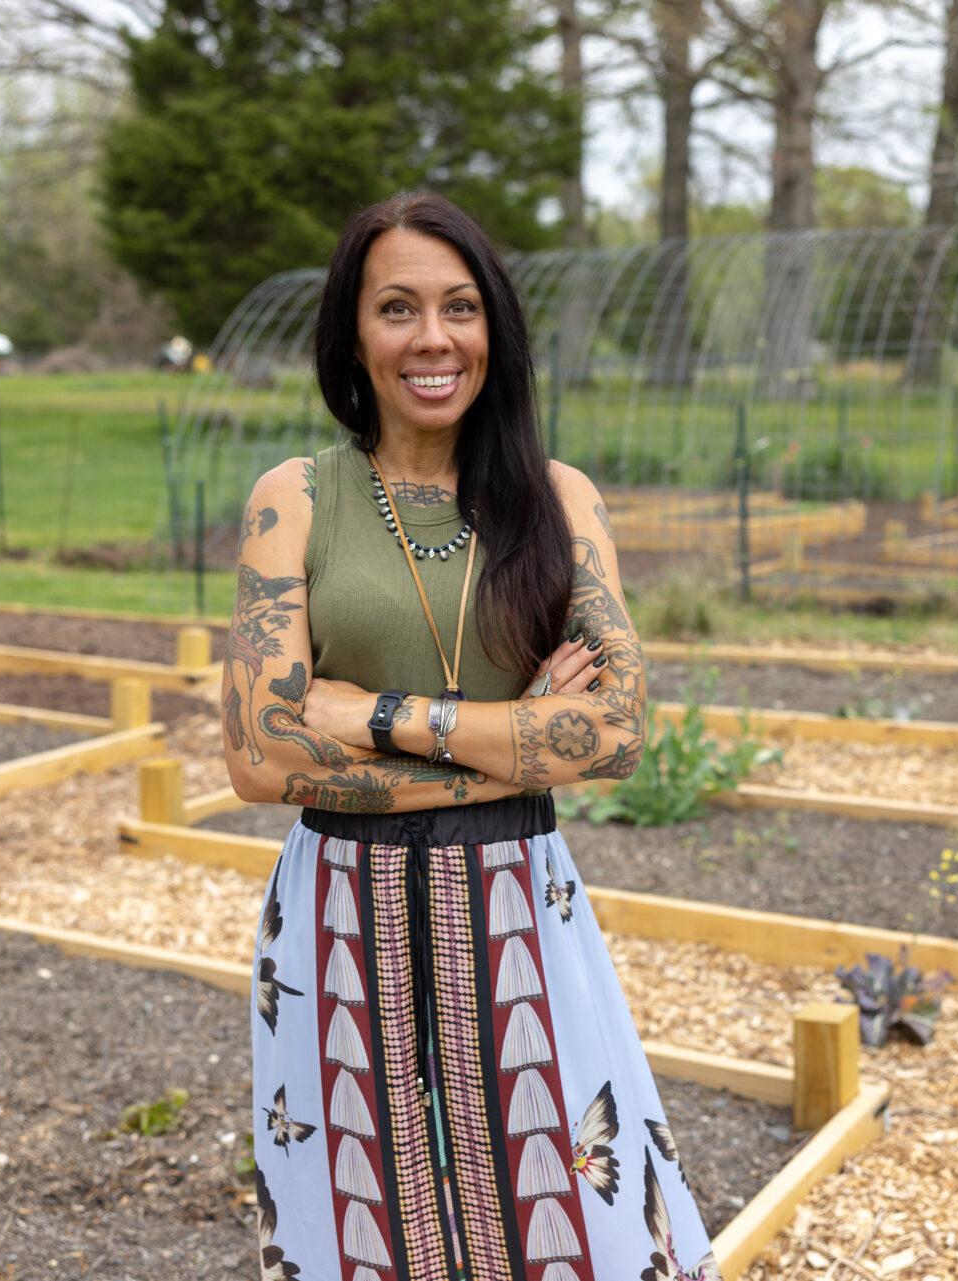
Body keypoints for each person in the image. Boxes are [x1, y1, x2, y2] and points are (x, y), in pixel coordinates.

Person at [226, 190, 721, 1279]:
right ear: (353, 331)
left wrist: (381, 717)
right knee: (360, 1216)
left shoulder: (559, 500)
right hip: (337, 912)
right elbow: (262, 758)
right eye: (397, 307)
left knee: (572, 1214)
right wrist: (516, 739)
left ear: (494, 326)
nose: (433, 338)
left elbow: (617, 733)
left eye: (460, 306)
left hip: (523, 908)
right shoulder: (294, 499)